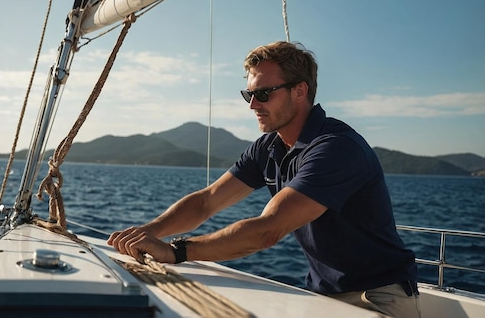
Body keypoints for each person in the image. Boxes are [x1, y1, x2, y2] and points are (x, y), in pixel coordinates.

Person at [108, 41, 420, 318]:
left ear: (300, 91)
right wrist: (146, 232)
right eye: (249, 94)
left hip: (378, 299)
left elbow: (267, 231)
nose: (253, 105)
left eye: (263, 94)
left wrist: (176, 251)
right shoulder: (269, 146)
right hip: (323, 295)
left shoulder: (336, 148)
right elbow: (207, 202)